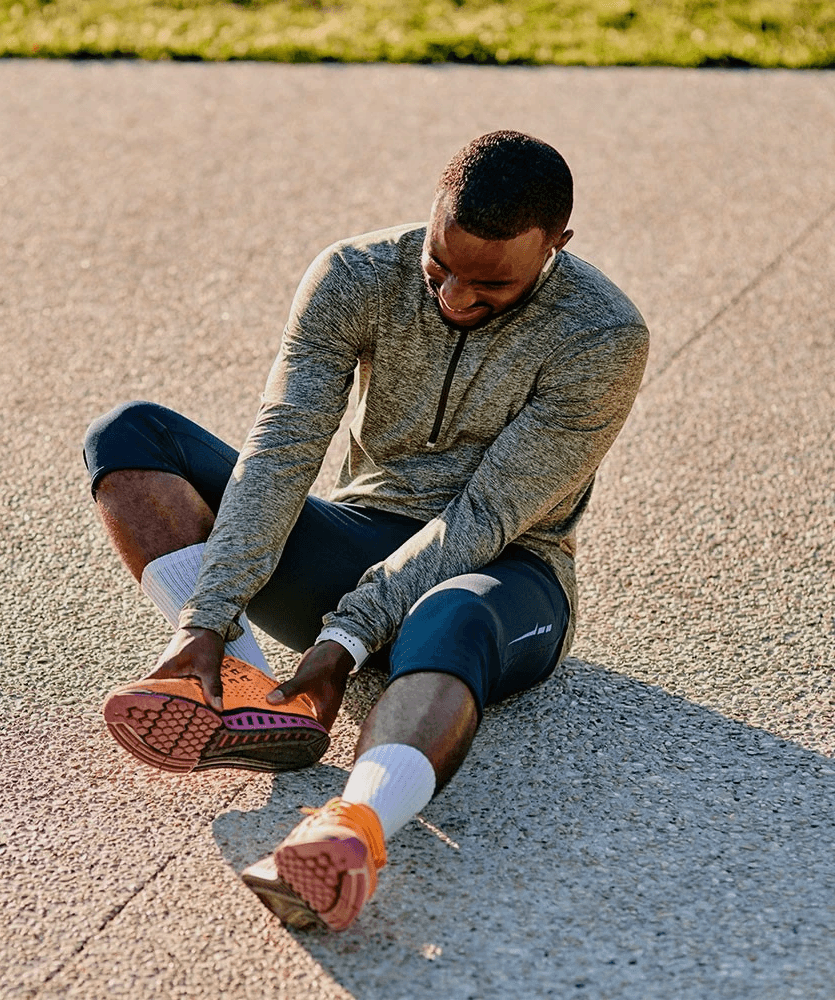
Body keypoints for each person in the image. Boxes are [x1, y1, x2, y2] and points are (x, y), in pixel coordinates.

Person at [83, 130, 648, 931]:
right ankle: (246, 691)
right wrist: (208, 614)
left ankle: (353, 829)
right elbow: (284, 448)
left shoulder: (601, 334)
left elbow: (485, 516)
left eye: (491, 283)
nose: (456, 298)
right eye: (440, 266)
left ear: (557, 245)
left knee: (449, 611)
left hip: (504, 570)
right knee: (131, 434)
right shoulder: (356, 273)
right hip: (359, 536)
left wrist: (344, 639)